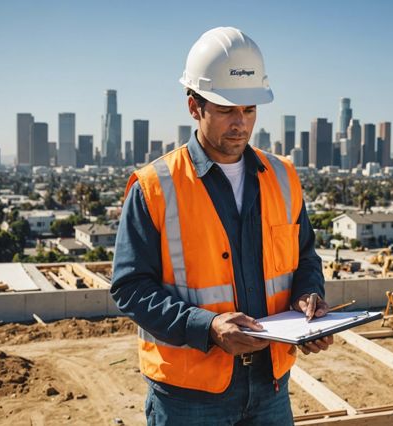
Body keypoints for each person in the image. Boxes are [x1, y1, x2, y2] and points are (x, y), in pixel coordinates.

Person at [111, 27, 331, 425]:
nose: (241, 123)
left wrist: (309, 297)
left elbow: (304, 258)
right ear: (194, 106)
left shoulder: (283, 177)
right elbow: (129, 288)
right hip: (188, 396)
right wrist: (208, 326)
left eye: (249, 110)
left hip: (271, 386)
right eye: (227, 109)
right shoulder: (154, 187)